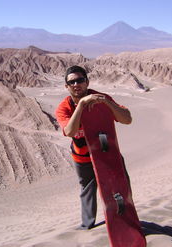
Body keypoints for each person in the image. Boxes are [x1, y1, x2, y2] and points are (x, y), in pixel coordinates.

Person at [55, 65, 133, 230]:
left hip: (108, 154)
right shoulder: (64, 108)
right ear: (66, 87)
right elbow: (69, 131)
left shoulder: (101, 98)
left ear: (87, 81)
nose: (77, 84)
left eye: (80, 80)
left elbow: (127, 119)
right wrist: (81, 105)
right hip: (82, 157)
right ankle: (87, 226)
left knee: (120, 186)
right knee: (87, 191)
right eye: (72, 82)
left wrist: (107, 103)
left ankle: (126, 218)